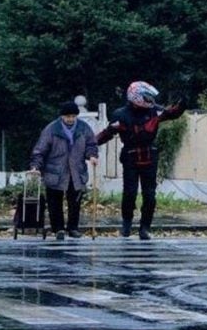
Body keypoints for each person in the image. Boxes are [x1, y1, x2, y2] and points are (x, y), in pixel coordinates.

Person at [97, 81, 185, 240]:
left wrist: (184, 102)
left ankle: (145, 228)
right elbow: (107, 133)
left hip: (149, 154)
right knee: (129, 193)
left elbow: (172, 113)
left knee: (150, 195)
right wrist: (90, 145)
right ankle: (126, 224)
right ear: (136, 96)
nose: (150, 100)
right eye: (147, 97)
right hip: (130, 155)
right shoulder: (120, 114)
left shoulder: (154, 111)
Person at [30, 101, 99, 240]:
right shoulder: (51, 129)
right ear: (62, 116)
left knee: (75, 201)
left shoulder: (83, 128)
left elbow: (91, 144)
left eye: (73, 116)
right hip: (55, 171)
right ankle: (58, 228)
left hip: (76, 171)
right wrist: (35, 166)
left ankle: (73, 228)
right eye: (68, 117)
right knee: (54, 201)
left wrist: (92, 155)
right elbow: (40, 150)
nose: (70, 119)